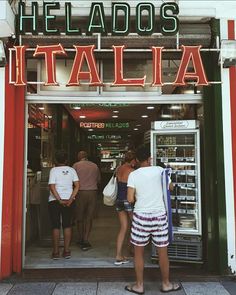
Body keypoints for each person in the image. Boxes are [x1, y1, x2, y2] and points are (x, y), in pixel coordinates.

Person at [125, 146, 181, 294]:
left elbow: (130, 199)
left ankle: (139, 285)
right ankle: (166, 284)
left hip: (141, 216)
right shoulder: (160, 171)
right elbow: (171, 187)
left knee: (138, 252)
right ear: (150, 158)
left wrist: (140, 196)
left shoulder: (133, 175)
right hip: (159, 216)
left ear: (136, 160)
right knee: (163, 252)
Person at [48, 150, 79, 260]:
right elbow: (77, 185)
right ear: (66, 160)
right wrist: (71, 199)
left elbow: (52, 186)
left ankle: (56, 252)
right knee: (67, 225)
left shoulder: (53, 170)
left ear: (56, 160)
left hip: (54, 201)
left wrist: (59, 199)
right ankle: (66, 251)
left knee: (55, 225)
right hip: (68, 200)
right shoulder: (72, 170)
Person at [73, 150, 101, 251]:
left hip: (80, 192)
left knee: (79, 217)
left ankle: (80, 238)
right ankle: (86, 239)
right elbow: (98, 180)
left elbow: (72, 180)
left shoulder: (75, 165)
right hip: (92, 193)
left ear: (79, 156)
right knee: (89, 217)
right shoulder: (94, 166)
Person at [114, 151, 136, 266]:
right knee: (135, 225)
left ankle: (118, 255)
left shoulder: (119, 169)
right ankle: (132, 250)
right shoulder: (132, 171)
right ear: (133, 160)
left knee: (123, 227)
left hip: (119, 200)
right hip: (128, 200)